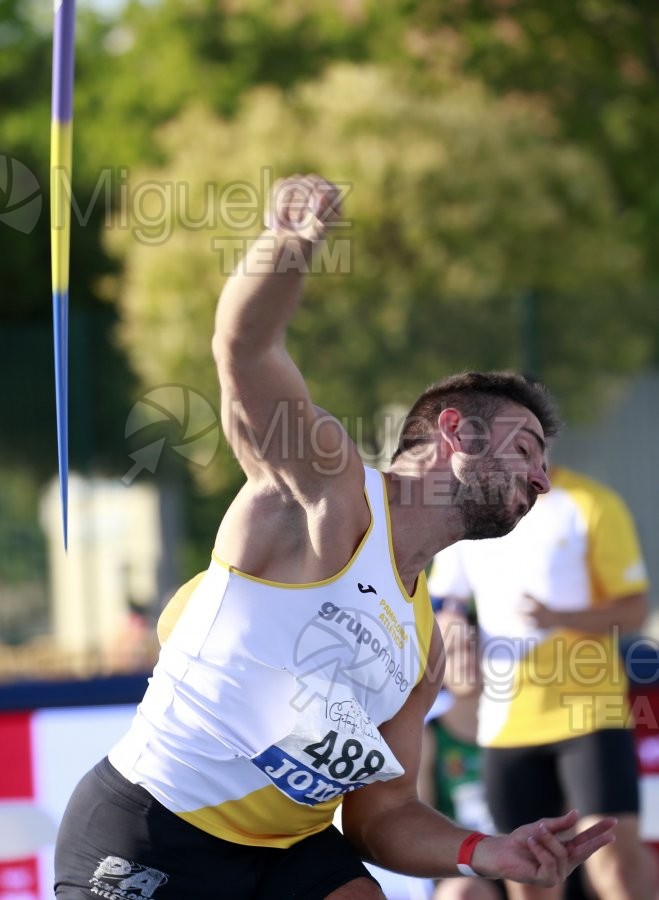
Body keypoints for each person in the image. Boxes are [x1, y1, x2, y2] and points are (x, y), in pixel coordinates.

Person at [55, 174, 616, 900]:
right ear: (452, 430)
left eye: (543, 465)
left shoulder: (425, 646)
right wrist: (287, 242)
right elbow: (244, 350)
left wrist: (485, 851)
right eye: (524, 449)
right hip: (154, 828)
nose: (541, 480)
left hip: (290, 852)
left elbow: (382, 817)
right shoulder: (327, 492)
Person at [428, 462, 654, 900]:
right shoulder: (470, 511)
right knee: (529, 875)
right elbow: (445, 598)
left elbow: (633, 610)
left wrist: (559, 619)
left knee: (613, 863)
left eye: (528, 437)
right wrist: (452, 626)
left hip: (589, 711)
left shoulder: (590, 503)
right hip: (504, 720)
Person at [420, 602, 505, 900]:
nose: (465, 660)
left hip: (532, 866)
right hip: (465, 870)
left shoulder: (524, 727)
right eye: (452, 653)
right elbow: (418, 831)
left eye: (472, 647)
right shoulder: (428, 738)